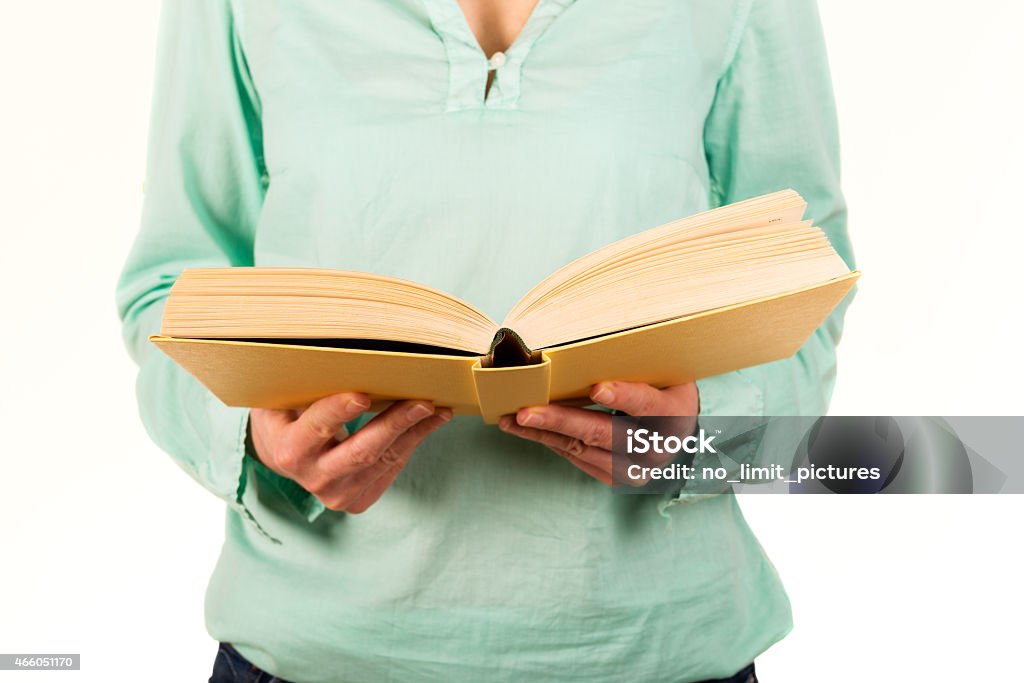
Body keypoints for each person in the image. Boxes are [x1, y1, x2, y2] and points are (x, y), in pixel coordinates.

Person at [117, 0, 854, 681]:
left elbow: (806, 287)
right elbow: (170, 293)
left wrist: (697, 433)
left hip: (660, 648)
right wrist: (251, 434)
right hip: (311, 649)